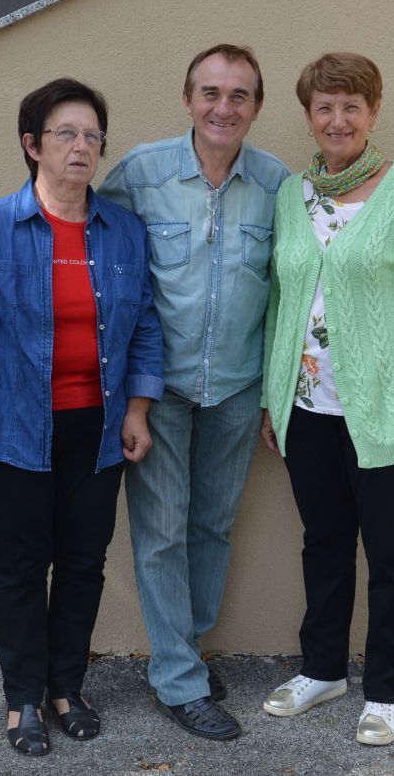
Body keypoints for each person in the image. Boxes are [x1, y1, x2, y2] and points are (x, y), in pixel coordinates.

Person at [0, 78, 163, 757]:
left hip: (97, 429)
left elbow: (145, 325)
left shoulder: (123, 231)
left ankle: (67, 688)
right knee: (18, 566)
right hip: (15, 430)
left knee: (83, 564)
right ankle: (22, 699)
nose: (82, 146)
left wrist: (137, 408)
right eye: (66, 133)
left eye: (92, 135)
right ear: (32, 145)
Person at [258, 52, 394, 746]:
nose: (338, 119)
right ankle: (322, 670)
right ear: (308, 117)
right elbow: (280, 302)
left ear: (374, 113)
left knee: (392, 555)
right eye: (324, 107)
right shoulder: (292, 195)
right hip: (309, 410)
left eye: (352, 106)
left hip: (390, 411)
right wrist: (272, 400)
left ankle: (386, 690)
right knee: (322, 544)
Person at [98, 44, 290, 741]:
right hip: (159, 389)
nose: (223, 107)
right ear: (187, 100)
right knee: (160, 533)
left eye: (239, 95)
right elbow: (103, 260)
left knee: (212, 526)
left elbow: (289, 292)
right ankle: (179, 680)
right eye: (210, 92)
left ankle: (186, 647)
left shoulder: (276, 184)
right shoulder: (141, 173)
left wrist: (275, 394)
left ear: (256, 107)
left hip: (238, 388)